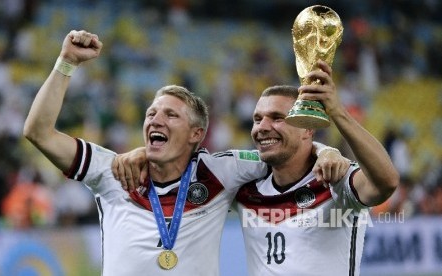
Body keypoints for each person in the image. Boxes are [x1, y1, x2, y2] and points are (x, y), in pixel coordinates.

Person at [23, 30, 348, 276]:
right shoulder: (113, 171)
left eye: (170, 115)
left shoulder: (223, 170)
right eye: (151, 113)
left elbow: (281, 150)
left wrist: (325, 149)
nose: (155, 119)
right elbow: (38, 132)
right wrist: (65, 63)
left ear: (197, 134)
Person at [113, 61, 399, 275]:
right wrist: (143, 154)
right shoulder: (243, 186)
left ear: (307, 130)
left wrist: (335, 115)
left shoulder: (334, 179)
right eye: (257, 118)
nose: (262, 128)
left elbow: (386, 182)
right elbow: (182, 163)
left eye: (277, 117)